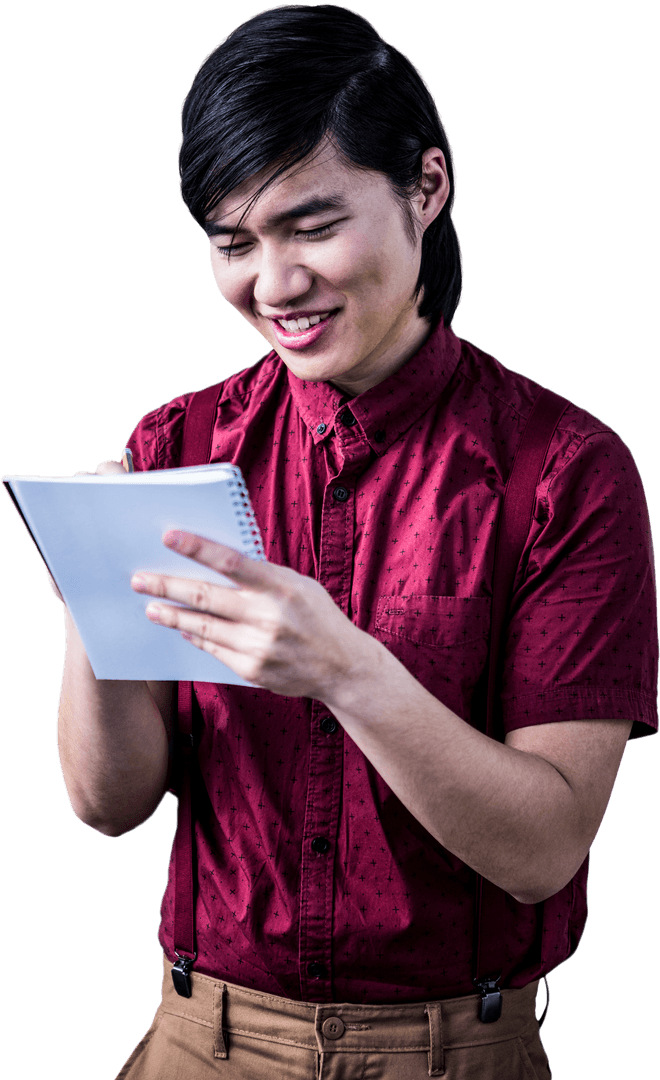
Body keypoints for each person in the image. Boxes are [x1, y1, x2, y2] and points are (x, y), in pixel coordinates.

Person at [52, 6, 658, 1078]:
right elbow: (108, 806)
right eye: (234, 243)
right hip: (204, 1038)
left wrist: (343, 669)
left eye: (312, 226)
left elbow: (544, 851)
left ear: (428, 187)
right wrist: (90, 613)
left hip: (459, 1052)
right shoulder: (177, 447)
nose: (272, 285)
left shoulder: (567, 470)